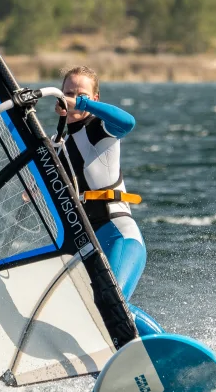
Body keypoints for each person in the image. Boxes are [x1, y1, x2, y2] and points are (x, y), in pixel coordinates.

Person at [53, 66, 146, 299]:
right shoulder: (59, 144)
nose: (73, 99)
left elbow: (128, 122)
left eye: (81, 95)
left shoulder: (99, 129)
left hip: (119, 237)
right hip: (88, 247)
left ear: (95, 99)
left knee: (111, 302)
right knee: (94, 312)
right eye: (68, 93)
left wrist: (81, 104)